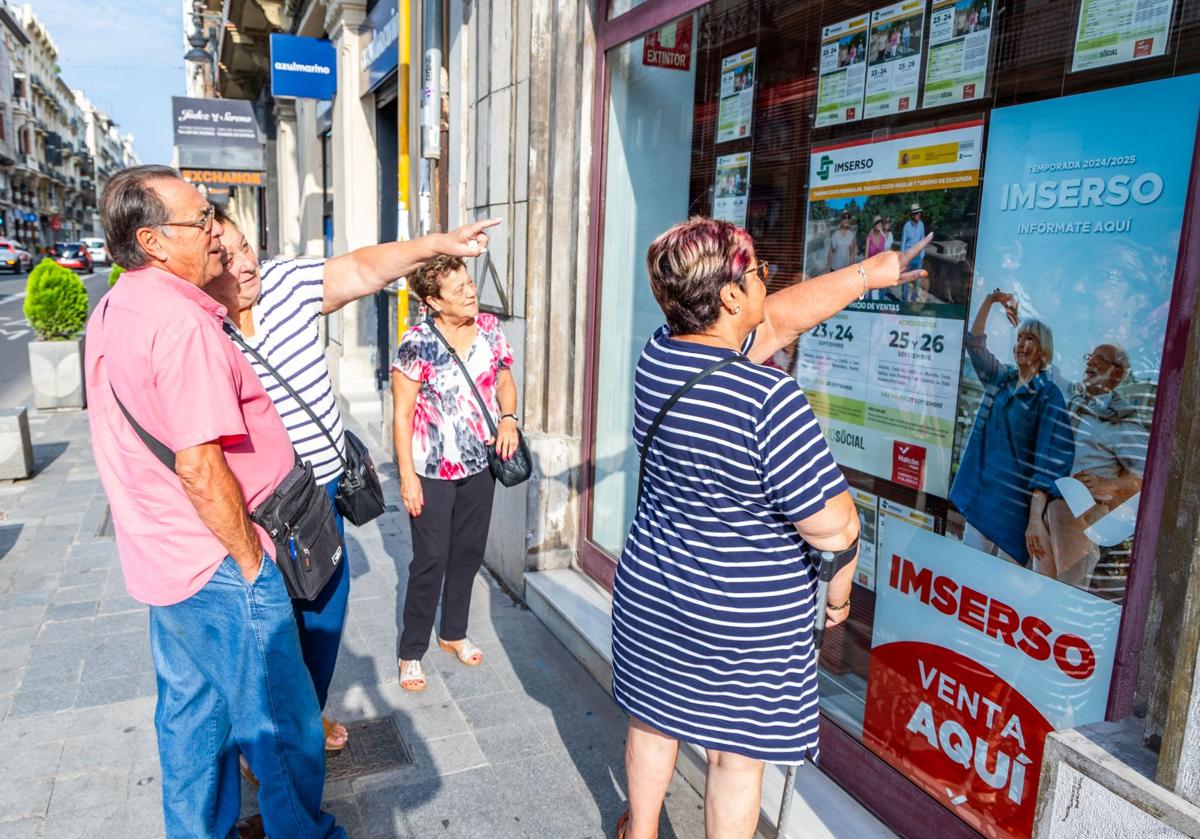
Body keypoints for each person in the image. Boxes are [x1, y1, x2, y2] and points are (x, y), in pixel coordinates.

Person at [613, 216, 932, 839]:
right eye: (759, 270)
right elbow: (835, 528)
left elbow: (778, 319)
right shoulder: (769, 401)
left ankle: (640, 832)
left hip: (653, 594)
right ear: (731, 297)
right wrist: (839, 596)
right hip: (741, 623)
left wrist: (870, 273)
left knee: (654, 720)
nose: (768, 278)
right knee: (735, 757)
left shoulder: (659, 354)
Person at [84, 165, 343, 838]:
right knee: (281, 725)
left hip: (162, 559)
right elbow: (201, 467)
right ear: (154, 240)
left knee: (192, 720)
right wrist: (252, 567)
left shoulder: (115, 307)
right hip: (217, 562)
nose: (217, 234)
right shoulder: (181, 324)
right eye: (200, 221)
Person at [205, 207, 497, 750]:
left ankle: (302, 715)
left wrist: (437, 243)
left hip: (320, 498)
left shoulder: (284, 283)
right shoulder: (201, 323)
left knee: (322, 619)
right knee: (269, 626)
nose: (247, 265)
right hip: (255, 505)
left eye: (248, 247)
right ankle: (264, 738)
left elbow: (364, 268)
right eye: (228, 256)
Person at [391, 256, 520, 691]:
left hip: (481, 462)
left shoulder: (488, 328)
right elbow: (402, 414)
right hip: (430, 467)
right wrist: (407, 476)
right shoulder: (415, 343)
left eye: (469, 281)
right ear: (432, 300)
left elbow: (503, 379)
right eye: (458, 287)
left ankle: (453, 633)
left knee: (467, 552)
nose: (470, 290)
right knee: (430, 559)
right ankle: (411, 651)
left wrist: (508, 418)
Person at [949, 290, 1075, 567]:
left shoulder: (1048, 394)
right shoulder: (1002, 379)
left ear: (1043, 350)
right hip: (984, 495)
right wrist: (989, 301)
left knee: (1000, 585)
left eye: (1029, 338)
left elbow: (1048, 460)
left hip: (1016, 509)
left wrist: (1034, 520)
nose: (1020, 344)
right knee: (968, 571)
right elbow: (976, 345)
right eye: (1019, 338)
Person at [1043, 344, 1147, 586]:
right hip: (1044, 505)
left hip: (1080, 511)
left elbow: (1148, 478)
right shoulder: (1071, 395)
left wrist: (1108, 484)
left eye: (1099, 358)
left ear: (1118, 373)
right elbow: (1047, 367)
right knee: (1037, 588)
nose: (1089, 362)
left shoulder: (1122, 421)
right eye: (1088, 356)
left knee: (1068, 592)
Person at [900, 204, 927, 301]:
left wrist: (922, 256)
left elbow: (923, 241)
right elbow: (903, 243)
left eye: (920, 212)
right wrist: (903, 259)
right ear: (912, 215)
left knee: (917, 280)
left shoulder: (921, 225)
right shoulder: (906, 226)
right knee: (906, 280)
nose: (919, 214)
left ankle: (914, 299)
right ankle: (904, 300)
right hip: (908, 258)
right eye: (917, 213)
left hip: (918, 257)